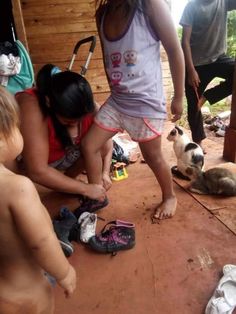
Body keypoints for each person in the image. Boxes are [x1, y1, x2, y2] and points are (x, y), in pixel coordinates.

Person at [81, 0, 185, 219]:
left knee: (153, 156)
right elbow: (108, 57)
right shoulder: (103, 13)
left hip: (145, 104)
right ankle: (95, 194)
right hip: (118, 101)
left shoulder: (149, 6)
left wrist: (178, 96)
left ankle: (169, 196)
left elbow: (175, 50)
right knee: (89, 145)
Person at [0, 86, 76, 313]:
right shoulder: (17, 188)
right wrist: (64, 272)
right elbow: (41, 242)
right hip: (24, 293)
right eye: (16, 126)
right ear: (3, 137)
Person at [15, 64, 113, 205]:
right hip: (35, 163)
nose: (75, 125)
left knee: (95, 144)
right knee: (26, 190)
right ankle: (67, 187)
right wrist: (85, 189)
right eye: (69, 122)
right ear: (49, 102)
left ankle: (82, 191)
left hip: (63, 157)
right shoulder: (31, 105)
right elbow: (37, 170)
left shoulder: (88, 105)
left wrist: (105, 172)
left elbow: (106, 144)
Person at [180, 0, 236, 149]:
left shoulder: (223, 2)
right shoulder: (192, 6)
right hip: (196, 64)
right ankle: (198, 143)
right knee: (193, 105)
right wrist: (191, 70)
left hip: (219, 58)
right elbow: (184, 41)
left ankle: (208, 96)